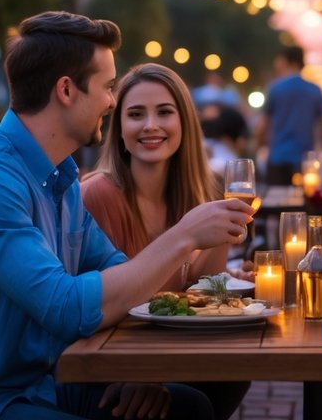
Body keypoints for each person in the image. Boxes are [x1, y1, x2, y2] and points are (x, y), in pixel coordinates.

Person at [0, 12, 253, 420]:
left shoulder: (59, 178)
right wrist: (184, 236)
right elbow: (65, 308)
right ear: (65, 90)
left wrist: (134, 370)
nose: (112, 102)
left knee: (186, 407)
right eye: (108, 88)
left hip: (32, 387)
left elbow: (121, 275)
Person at [81, 62, 249, 420]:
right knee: (195, 402)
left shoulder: (193, 195)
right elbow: (101, 308)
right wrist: (139, 374)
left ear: (184, 124)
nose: (150, 125)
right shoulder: (98, 196)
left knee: (234, 371)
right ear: (120, 129)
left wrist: (225, 235)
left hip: (164, 351)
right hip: (107, 365)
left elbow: (198, 287)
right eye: (136, 114)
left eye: (164, 113)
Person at [256, 46, 322, 186]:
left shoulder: (275, 89)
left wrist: (259, 147)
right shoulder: (315, 90)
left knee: (277, 203)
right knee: (306, 204)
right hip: (306, 161)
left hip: (278, 158)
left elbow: (262, 125)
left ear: (288, 62)